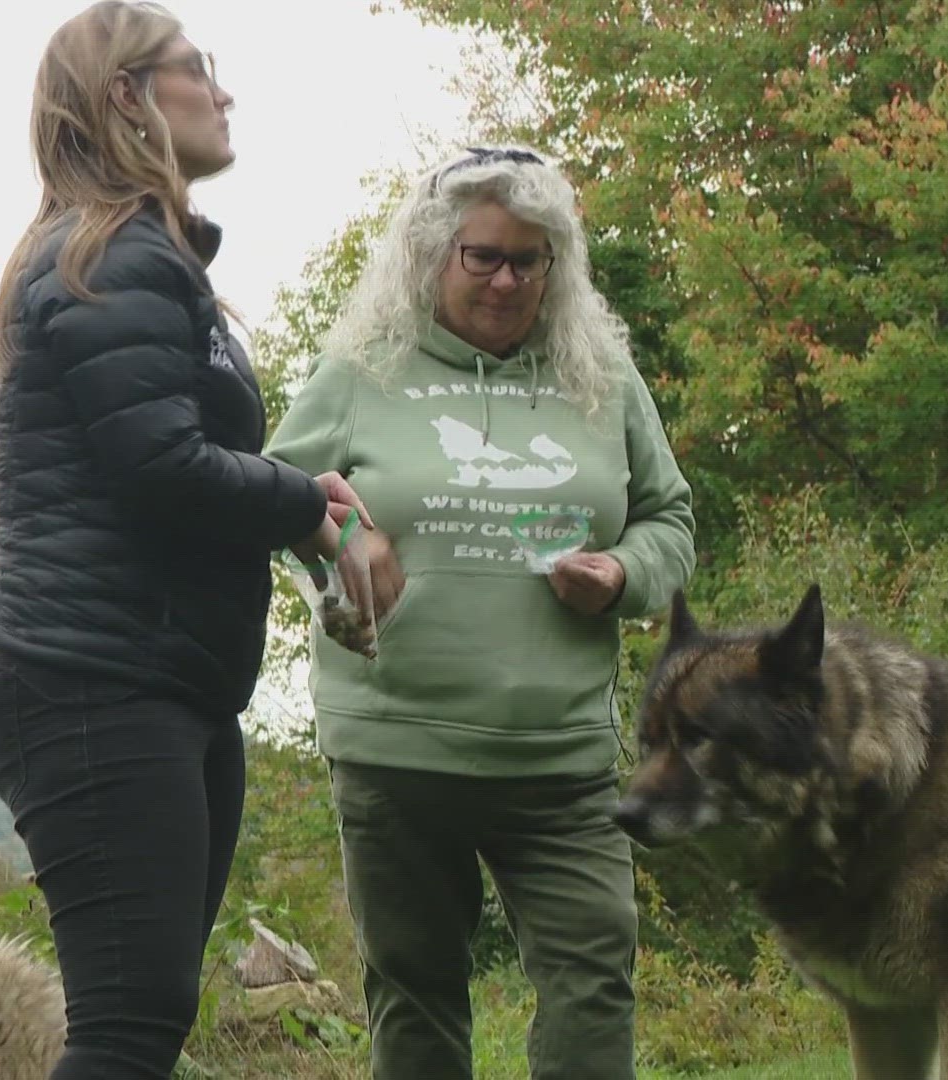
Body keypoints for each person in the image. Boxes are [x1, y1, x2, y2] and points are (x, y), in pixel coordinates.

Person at [0, 4, 367, 1076]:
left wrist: (291, 503)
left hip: (157, 680)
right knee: (128, 1026)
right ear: (124, 95)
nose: (223, 92)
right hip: (96, 683)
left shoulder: (138, 257)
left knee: (145, 1021)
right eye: (198, 70)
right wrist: (303, 503)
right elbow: (160, 468)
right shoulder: (112, 256)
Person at [264, 145, 696, 1079]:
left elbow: (671, 519)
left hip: (560, 756)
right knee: (416, 994)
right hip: (395, 749)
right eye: (483, 256)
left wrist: (623, 575)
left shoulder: (601, 377)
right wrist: (339, 546)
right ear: (433, 254)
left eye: (528, 261)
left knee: (594, 975)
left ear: (557, 267)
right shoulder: (361, 371)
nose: (506, 279)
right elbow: (270, 498)